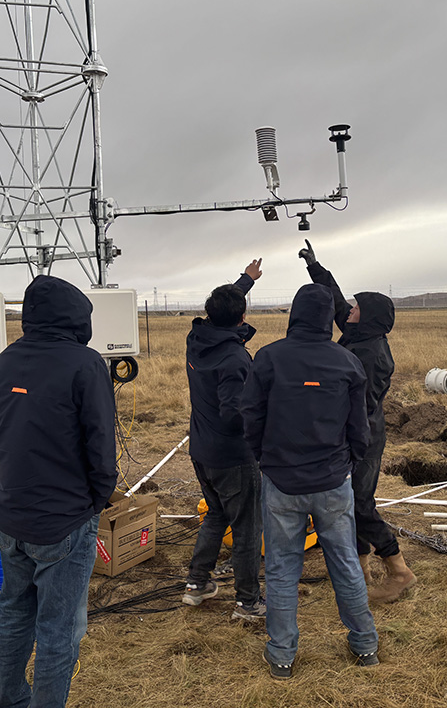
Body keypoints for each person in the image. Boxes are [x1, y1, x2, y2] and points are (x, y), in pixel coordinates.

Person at [0, 275, 117, 708]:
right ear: (78, 317)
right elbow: (100, 443)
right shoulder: (85, 363)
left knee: (14, 611)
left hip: (12, 512)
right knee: (59, 629)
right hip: (64, 518)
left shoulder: (3, 363)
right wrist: (97, 499)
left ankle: (7, 700)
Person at [241, 283, 379, 680]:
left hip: (282, 482)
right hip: (333, 481)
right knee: (346, 562)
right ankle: (364, 645)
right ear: (326, 318)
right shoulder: (347, 361)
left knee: (283, 568)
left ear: (294, 314)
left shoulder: (268, 359)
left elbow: (250, 415)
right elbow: (360, 426)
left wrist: (264, 457)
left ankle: (282, 655)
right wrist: (347, 464)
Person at [299, 239, 416, 603]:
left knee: (360, 504)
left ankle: (399, 571)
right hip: (349, 436)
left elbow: (358, 405)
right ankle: (359, 569)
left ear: (368, 317)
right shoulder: (358, 335)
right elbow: (337, 303)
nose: (348, 309)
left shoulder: (372, 354)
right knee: (351, 501)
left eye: (356, 307)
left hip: (361, 437)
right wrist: (316, 269)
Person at [183, 259, 266, 621]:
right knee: (247, 529)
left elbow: (224, 308)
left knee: (217, 515)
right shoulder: (234, 358)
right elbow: (235, 414)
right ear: (241, 318)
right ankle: (248, 603)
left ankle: (197, 584)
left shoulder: (196, 339)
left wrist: (246, 280)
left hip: (201, 449)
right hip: (231, 457)